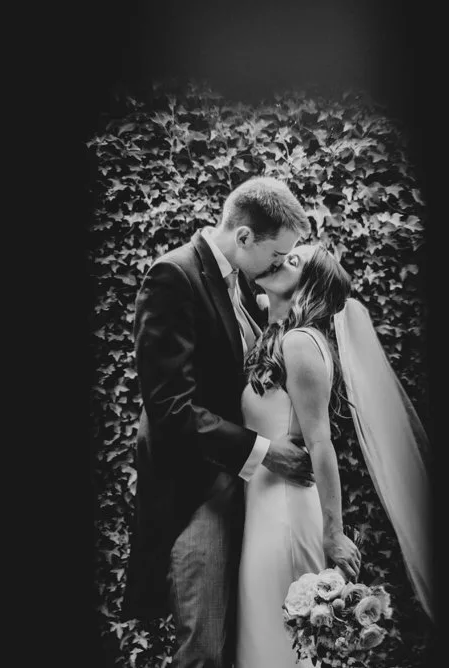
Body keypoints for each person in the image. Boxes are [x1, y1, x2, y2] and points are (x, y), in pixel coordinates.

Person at [124, 177, 315, 668]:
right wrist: (264, 451)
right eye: (277, 254)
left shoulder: (245, 287)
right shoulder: (175, 275)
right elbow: (170, 407)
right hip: (198, 492)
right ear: (245, 237)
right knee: (204, 647)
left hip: (246, 494)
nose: (279, 265)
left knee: (240, 644)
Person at [236, 244, 434, 667]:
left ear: (308, 286)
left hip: (285, 514)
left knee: (277, 651)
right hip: (262, 509)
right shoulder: (276, 338)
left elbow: (321, 443)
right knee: (264, 645)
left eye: (294, 261)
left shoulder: (301, 343)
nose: (280, 259)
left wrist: (334, 532)